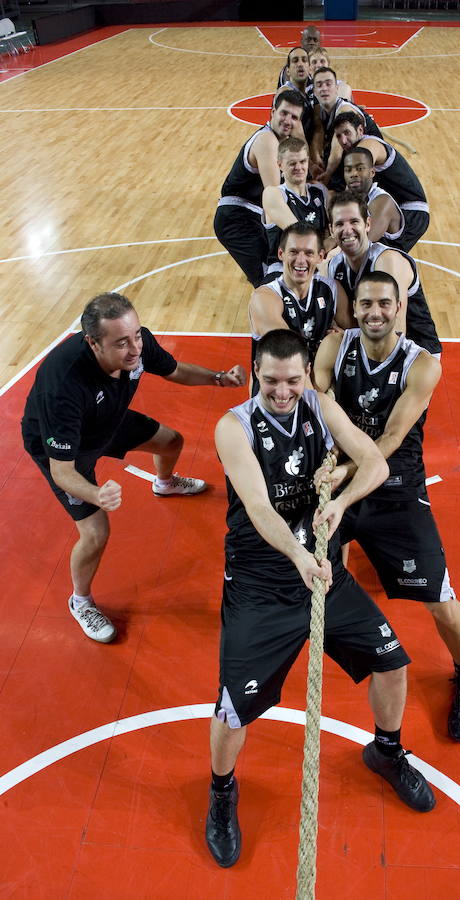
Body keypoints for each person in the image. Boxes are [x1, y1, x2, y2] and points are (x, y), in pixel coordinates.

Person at [205, 328, 436, 869]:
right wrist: (300, 556)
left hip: (321, 572)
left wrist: (341, 502)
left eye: (292, 380)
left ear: (306, 373)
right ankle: (220, 791)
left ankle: (386, 750)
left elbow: (376, 464)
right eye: (270, 381)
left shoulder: (320, 405)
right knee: (235, 708)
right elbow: (260, 511)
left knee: (393, 664)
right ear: (255, 374)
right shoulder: (232, 428)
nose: (282, 391)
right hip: (263, 581)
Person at [21, 292, 246, 644]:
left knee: (172, 441)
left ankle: (165, 482)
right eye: (122, 342)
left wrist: (218, 378)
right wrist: (96, 493)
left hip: (106, 420)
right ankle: (80, 601)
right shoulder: (63, 385)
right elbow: (62, 471)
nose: (135, 348)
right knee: (95, 532)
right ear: (93, 343)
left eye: (138, 335)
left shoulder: (136, 346)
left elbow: (175, 370)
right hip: (68, 447)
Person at [313, 272, 460, 743]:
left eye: (384, 303)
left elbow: (389, 439)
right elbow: (319, 405)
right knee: (326, 571)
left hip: (395, 486)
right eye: (366, 303)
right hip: (342, 475)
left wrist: (346, 472)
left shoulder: (422, 365)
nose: (374, 312)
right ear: (356, 306)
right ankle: (338, 643)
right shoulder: (333, 348)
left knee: (438, 599)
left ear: (400, 306)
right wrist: (334, 468)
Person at [327, 190, 441, 355]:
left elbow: (397, 332)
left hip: (413, 352)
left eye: (354, 222)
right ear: (331, 230)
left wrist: (347, 338)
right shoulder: (333, 266)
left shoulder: (387, 261)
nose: (347, 230)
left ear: (367, 224)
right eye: (339, 224)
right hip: (368, 345)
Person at [214, 90, 305, 287]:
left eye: (294, 117)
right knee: (270, 280)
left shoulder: (280, 143)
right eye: (284, 113)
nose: (288, 120)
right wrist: (304, 234)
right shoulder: (267, 140)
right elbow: (275, 198)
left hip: (248, 215)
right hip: (237, 218)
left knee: (275, 272)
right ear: (272, 112)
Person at [249, 223, 352, 392]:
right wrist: (316, 402)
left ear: (320, 256)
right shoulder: (265, 297)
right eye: (294, 252)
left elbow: (359, 336)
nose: (301, 260)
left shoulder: (332, 290)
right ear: (281, 254)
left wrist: (341, 338)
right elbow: (287, 352)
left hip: (316, 383)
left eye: (309, 253)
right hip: (277, 394)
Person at [333, 111, 429, 250]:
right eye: (339, 136)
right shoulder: (357, 148)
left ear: (360, 130)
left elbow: (352, 187)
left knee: (359, 248)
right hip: (396, 209)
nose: (343, 140)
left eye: (347, 133)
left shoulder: (368, 145)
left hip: (411, 212)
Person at [262, 137, 330, 267]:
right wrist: (329, 243)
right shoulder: (273, 194)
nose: (299, 167)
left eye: (303, 161)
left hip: (317, 264)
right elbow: (300, 235)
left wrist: (332, 240)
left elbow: (334, 228)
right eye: (292, 163)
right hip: (282, 269)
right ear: (280, 165)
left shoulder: (320, 190)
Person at [312, 68, 382, 190]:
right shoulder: (318, 110)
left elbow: (338, 148)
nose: (324, 88)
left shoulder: (344, 110)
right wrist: (316, 158)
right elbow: (318, 132)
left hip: (374, 165)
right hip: (355, 156)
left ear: (337, 89)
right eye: (319, 85)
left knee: (332, 188)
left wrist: (327, 174)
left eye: (328, 84)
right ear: (314, 91)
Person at [342, 146, 406, 250]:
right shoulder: (350, 197)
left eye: (360, 169)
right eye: (348, 170)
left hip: (388, 263)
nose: (353, 174)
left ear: (372, 172)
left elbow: (361, 244)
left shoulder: (383, 201)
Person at [274, 47, 315, 142]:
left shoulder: (307, 93)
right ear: (287, 70)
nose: (300, 64)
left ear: (309, 68)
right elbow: (298, 139)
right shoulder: (286, 93)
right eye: (295, 61)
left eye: (304, 60)